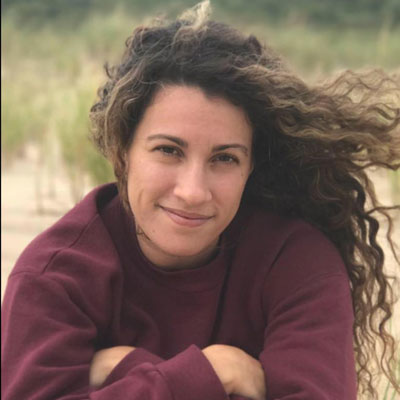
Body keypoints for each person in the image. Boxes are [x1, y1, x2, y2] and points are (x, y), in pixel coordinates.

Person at [2, 1, 399, 399]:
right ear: (122, 153)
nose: (193, 192)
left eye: (224, 158)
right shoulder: (53, 278)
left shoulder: (296, 261)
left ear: (251, 166)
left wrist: (124, 369)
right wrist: (216, 373)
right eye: (168, 150)